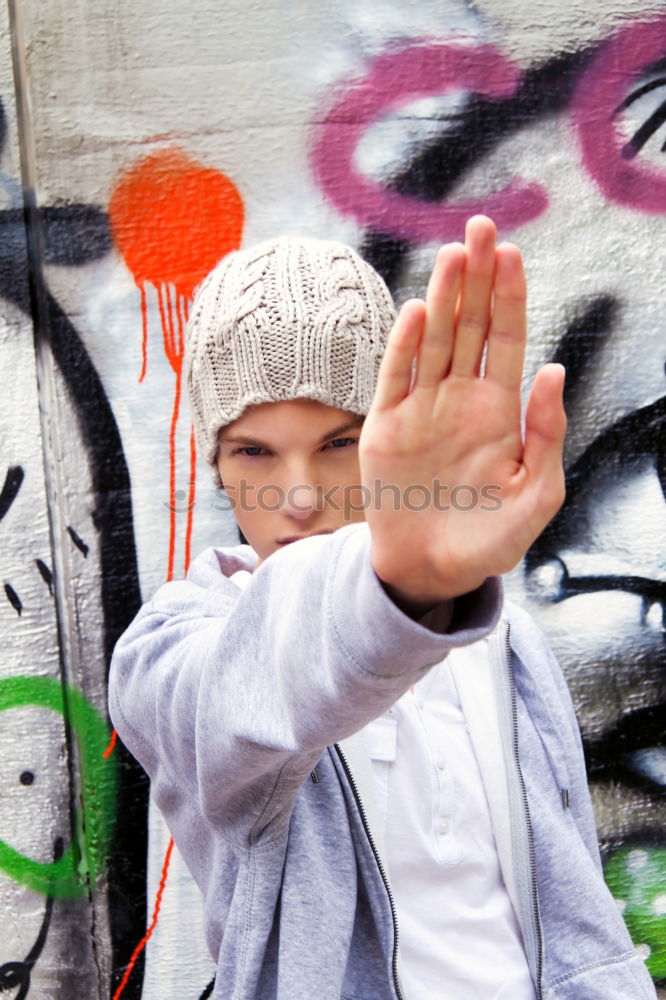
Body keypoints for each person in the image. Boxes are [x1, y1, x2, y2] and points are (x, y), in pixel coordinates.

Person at [109, 216, 655, 999]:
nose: (299, 497)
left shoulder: (498, 635)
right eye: (253, 451)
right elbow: (252, 690)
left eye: (339, 444)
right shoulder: (170, 654)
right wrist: (397, 579)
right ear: (218, 471)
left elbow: (573, 910)